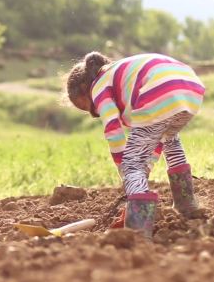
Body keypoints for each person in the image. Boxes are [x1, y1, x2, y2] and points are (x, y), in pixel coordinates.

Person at [64, 52, 206, 238]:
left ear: (85, 88)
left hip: (158, 89)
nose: (94, 114)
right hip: (190, 87)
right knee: (171, 140)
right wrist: (144, 168)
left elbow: (113, 130)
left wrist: (127, 172)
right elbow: (155, 139)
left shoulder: (98, 85)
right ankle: (186, 203)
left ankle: (139, 228)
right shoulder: (118, 75)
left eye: (90, 109)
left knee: (130, 163)